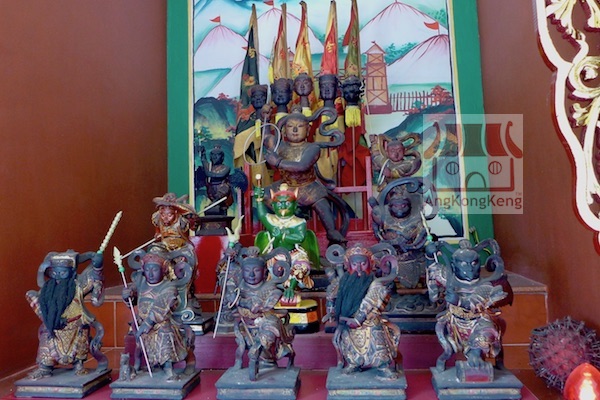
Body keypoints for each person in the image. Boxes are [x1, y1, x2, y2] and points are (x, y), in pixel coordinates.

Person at [263, 106, 348, 245]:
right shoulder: (280, 145)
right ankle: (281, 223)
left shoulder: (312, 148)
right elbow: (267, 139)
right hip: (286, 186)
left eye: (300, 126)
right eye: (290, 126)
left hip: (307, 186)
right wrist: (265, 119)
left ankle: (331, 231)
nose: (295, 130)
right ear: (284, 130)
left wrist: (278, 162)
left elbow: (302, 166)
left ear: (308, 130)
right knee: (265, 194)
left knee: (321, 203)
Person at [426, 239, 511, 375]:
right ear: (453, 265)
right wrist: (429, 255)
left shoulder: (486, 285)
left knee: (488, 330)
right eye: (464, 264)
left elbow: (477, 302)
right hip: (454, 321)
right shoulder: (448, 278)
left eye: (474, 263)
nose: (470, 268)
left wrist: (459, 301)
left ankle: (475, 355)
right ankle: (449, 356)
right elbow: (432, 272)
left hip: (478, 321)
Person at [26, 250, 106, 379]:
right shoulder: (47, 291)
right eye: (55, 273)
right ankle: (44, 367)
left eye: (63, 273)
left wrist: (97, 265)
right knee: (46, 344)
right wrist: (50, 319)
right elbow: (35, 301)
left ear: (72, 273)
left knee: (80, 343)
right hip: (54, 329)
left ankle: (78, 365)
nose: (58, 276)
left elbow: (93, 280)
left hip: (76, 326)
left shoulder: (78, 287)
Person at [328, 244, 401, 379]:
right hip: (347, 321)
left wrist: (359, 319)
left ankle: (383, 366)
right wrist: (332, 312)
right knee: (348, 342)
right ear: (348, 265)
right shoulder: (343, 281)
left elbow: (371, 301)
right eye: (355, 264)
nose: (359, 268)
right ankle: (353, 364)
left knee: (377, 339)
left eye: (363, 264)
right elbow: (332, 297)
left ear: (370, 264)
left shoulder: (376, 283)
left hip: (369, 321)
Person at [122, 253, 195, 380]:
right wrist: (127, 296)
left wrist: (149, 322)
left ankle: (168, 367)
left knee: (165, 331)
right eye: (147, 270)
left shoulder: (169, 287)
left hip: (162, 322)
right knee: (138, 339)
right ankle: (138, 365)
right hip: (141, 322)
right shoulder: (140, 283)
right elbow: (132, 300)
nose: (150, 274)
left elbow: (162, 305)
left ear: (163, 270)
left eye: (155, 270)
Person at [228, 246, 295, 381]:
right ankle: (250, 357)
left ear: (264, 271)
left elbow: (270, 302)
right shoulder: (238, 287)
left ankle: (260, 351)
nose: (251, 275)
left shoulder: (270, 288)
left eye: (256, 270)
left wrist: (257, 305)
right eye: (247, 271)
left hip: (265, 320)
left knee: (270, 328)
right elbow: (230, 297)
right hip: (245, 322)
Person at [254, 183, 318, 305]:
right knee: (270, 269)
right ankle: (276, 291)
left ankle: (291, 288)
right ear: (273, 206)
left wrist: (282, 235)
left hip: (295, 254)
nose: (283, 206)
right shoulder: (272, 220)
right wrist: (259, 199)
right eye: (279, 204)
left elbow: (299, 238)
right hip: (276, 255)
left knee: (302, 267)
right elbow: (261, 214)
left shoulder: (299, 222)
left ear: (295, 205)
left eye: (287, 203)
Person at [370, 186, 428, 288]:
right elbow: (378, 232)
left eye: (403, 206)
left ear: (410, 206)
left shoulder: (416, 218)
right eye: (396, 206)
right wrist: (389, 242)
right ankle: (384, 286)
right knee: (375, 260)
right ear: (390, 207)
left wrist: (411, 245)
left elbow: (423, 236)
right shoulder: (384, 217)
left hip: (411, 252)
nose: (400, 208)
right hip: (389, 251)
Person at [199, 145, 234, 215]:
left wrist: (209, 173)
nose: (214, 157)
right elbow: (204, 162)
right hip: (211, 190)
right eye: (212, 155)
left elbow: (220, 175)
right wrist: (203, 154)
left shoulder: (226, 168)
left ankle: (216, 203)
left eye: (217, 155)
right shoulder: (210, 167)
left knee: (224, 188)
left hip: (222, 190)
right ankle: (213, 204)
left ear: (222, 157)